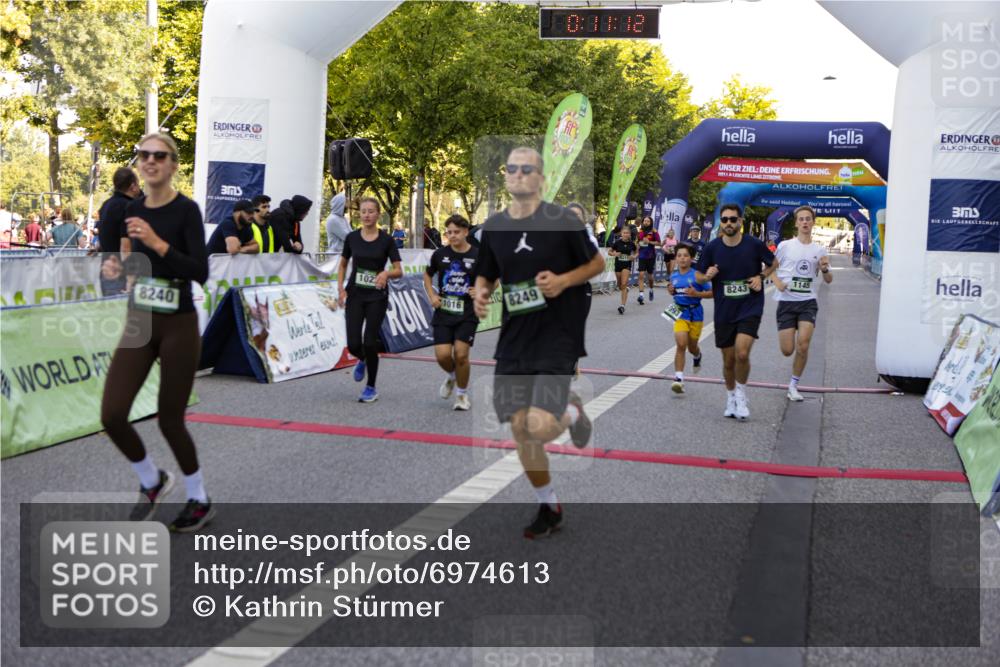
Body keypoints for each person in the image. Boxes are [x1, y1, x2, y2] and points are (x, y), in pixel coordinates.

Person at [473, 146, 604, 539]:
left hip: (557, 336)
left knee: (539, 425)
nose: (517, 174)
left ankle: (573, 414)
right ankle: (549, 505)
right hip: (514, 340)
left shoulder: (562, 221)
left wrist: (563, 281)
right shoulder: (494, 226)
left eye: (526, 169)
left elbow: (597, 263)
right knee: (520, 430)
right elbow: (486, 274)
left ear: (541, 178)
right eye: (511, 168)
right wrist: (480, 293)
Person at [100, 131, 213, 532]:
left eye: (159, 156)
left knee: (169, 419)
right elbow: (130, 260)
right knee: (112, 413)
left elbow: (199, 271)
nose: (150, 161)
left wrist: (158, 244)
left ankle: (198, 496)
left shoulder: (185, 211)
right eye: (143, 155)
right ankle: (152, 480)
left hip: (179, 322)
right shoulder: (130, 208)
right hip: (140, 319)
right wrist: (119, 268)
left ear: (173, 164)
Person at [695, 203, 776, 421]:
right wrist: (707, 276)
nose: (729, 223)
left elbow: (773, 262)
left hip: (750, 305)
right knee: (729, 360)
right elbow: (698, 276)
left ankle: (741, 393)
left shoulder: (753, 244)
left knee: (742, 352)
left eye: (733, 219)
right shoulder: (712, 247)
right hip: (724, 310)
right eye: (725, 220)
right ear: (721, 222)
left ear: (740, 221)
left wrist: (761, 276)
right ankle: (730, 396)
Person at [338, 197, 403, 402]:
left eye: (370, 211)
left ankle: (371, 387)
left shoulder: (386, 240)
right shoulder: (352, 238)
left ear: (377, 214)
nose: (366, 215)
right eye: (363, 211)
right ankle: (364, 360)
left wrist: (386, 274)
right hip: (355, 294)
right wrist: (340, 288)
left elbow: (398, 270)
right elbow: (342, 264)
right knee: (354, 343)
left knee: (369, 341)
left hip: (376, 296)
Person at [771, 205, 832, 402]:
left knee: (803, 345)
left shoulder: (819, 249)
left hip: (808, 302)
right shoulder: (785, 246)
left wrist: (824, 269)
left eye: (808, 219)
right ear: (796, 223)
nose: (805, 222)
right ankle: (792, 381)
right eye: (801, 219)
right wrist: (778, 282)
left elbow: (829, 279)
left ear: (813, 223)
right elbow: (769, 267)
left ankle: (793, 385)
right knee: (788, 350)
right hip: (787, 303)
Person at [423, 214, 479, 411]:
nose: (452, 236)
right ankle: (453, 375)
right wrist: (432, 296)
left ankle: (462, 396)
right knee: (443, 356)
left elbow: (492, 278)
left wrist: (482, 290)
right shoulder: (440, 254)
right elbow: (427, 275)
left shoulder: (478, 255)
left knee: (462, 355)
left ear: (465, 232)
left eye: (456, 232)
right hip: (444, 312)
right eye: (449, 232)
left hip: (468, 312)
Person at [664, 244, 712, 394]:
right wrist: (670, 290)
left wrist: (696, 294)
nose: (682, 258)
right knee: (681, 344)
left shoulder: (697, 275)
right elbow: (674, 291)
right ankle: (678, 379)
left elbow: (712, 292)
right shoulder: (673, 275)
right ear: (676, 259)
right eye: (679, 255)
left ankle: (697, 355)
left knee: (692, 347)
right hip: (679, 312)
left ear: (691, 258)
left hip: (695, 313)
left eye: (685, 255)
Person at [98, 167, 142, 255]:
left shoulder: (105, 205)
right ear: (133, 186)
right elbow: (125, 247)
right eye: (138, 184)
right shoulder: (129, 207)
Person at [610, 224, 637, 314]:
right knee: (620, 285)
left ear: (630, 234)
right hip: (618, 265)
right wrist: (614, 254)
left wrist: (634, 256)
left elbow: (637, 252)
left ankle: (622, 306)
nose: (626, 234)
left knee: (624, 283)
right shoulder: (617, 243)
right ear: (621, 233)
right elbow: (610, 251)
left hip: (627, 265)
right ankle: (625, 289)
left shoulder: (632, 244)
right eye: (624, 233)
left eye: (627, 233)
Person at [636, 215, 661, 303]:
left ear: (650, 223)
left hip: (651, 256)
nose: (646, 222)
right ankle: (641, 295)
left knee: (650, 276)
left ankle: (651, 289)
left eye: (648, 221)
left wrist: (649, 242)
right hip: (642, 256)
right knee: (641, 274)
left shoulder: (654, 231)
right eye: (645, 221)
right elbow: (638, 243)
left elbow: (659, 243)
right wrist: (636, 250)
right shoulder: (640, 231)